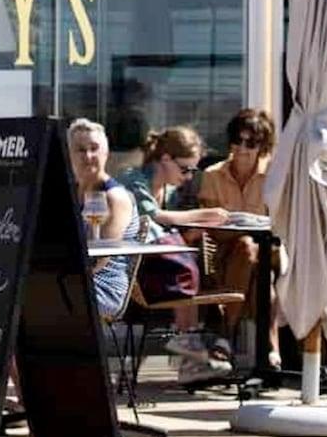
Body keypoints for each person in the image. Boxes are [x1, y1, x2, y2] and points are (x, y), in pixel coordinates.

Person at [118, 126, 233, 381]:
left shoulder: (169, 191)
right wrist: (205, 214)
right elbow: (155, 217)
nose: (189, 177)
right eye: (185, 169)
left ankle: (190, 350)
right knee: (182, 264)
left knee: (188, 261)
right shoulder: (134, 180)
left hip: (159, 267)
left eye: (193, 171)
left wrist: (197, 228)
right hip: (131, 271)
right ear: (165, 159)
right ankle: (190, 347)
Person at [193, 107, 277, 360]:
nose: (242, 148)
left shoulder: (274, 175)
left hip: (268, 251)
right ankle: (271, 348)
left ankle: (225, 334)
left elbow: (280, 223)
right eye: (237, 140)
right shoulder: (212, 175)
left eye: (250, 143)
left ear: (262, 146)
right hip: (223, 254)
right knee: (259, 271)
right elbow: (208, 226)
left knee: (251, 250)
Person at [68, 118, 138, 320]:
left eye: (94, 148)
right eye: (81, 150)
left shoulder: (112, 196)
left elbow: (99, 258)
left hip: (102, 286)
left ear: (106, 153)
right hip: (71, 279)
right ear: (69, 154)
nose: (88, 156)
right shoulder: (72, 191)